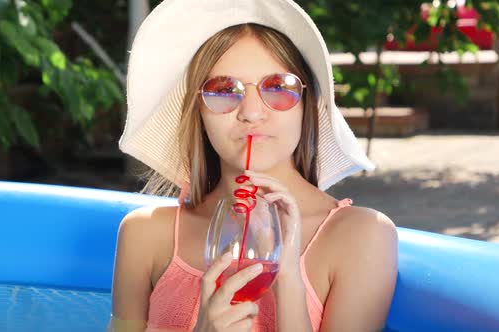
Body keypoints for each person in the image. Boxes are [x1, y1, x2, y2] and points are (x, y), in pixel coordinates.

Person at [110, 0, 398, 331]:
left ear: (307, 103)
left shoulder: (361, 237)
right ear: (197, 112)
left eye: (278, 87)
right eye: (222, 90)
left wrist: (288, 281)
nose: (251, 112)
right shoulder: (144, 235)